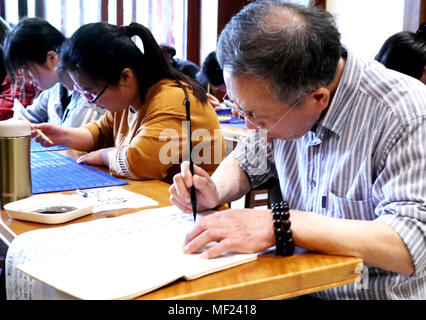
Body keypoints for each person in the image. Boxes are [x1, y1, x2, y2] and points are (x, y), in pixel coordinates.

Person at [169, 0, 426, 299]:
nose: (251, 128)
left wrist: (280, 223)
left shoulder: (407, 115)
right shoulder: (283, 99)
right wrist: (215, 188)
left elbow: (411, 245)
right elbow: (250, 158)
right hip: (296, 284)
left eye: (256, 116)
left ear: (319, 99)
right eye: (242, 111)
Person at [32, 22, 224, 183]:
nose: (88, 100)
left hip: (197, 209)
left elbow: (139, 163)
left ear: (125, 76)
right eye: (81, 91)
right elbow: (100, 132)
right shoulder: (128, 99)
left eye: (91, 92)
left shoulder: (173, 100)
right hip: (162, 200)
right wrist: (62, 135)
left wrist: (103, 155)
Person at [3, 18, 104, 126]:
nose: (26, 78)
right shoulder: (54, 88)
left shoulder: (90, 96)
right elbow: (24, 120)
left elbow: (74, 141)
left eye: (27, 68)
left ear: (52, 58)